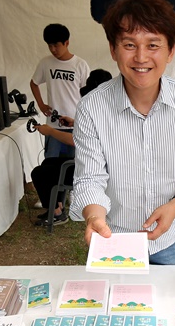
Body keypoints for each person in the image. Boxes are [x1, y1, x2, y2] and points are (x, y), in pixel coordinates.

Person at [71, 0, 175, 265]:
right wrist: (94, 218)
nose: (140, 57)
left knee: (169, 294)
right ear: (113, 49)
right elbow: (90, 178)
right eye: (129, 45)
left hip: (170, 236)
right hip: (114, 236)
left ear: (170, 51)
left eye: (152, 45)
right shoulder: (92, 107)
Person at [29, 69, 112, 226]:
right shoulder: (107, 110)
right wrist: (74, 122)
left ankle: (56, 214)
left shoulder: (97, 110)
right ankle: (58, 206)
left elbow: (76, 140)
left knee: (39, 173)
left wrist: (51, 131)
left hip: (91, 171)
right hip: (98, 165)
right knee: (49, 163)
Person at [30, 23, 90, 159]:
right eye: (49, 46)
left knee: (74, 163)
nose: (53, 49)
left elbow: (88, 94)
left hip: (75, 122)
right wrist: (41, 105)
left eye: (56, 45)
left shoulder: (80, 65)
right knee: (51, 163)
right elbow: (34, 83)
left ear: (66, 43)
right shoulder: (45, 63)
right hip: (53, 124)